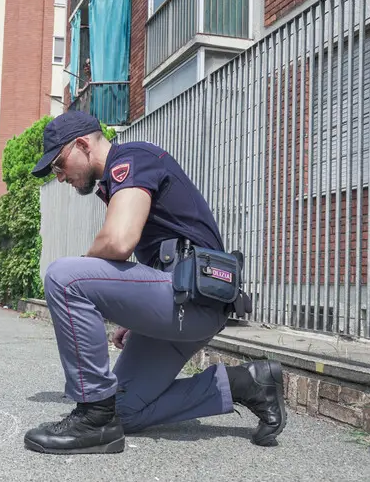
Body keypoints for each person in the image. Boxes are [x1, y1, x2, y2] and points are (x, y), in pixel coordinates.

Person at [23, 110, 286, 454]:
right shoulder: (121, 176)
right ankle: (245, 383)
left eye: (59, 165)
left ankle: (93, 418)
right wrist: (138, 316)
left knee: (65, 277)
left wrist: (85, 271)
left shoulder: (132, 159)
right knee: (125, 411)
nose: (60, 177)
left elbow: (119, 241)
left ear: (83, 144)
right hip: (186, 302)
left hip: (192, 301)